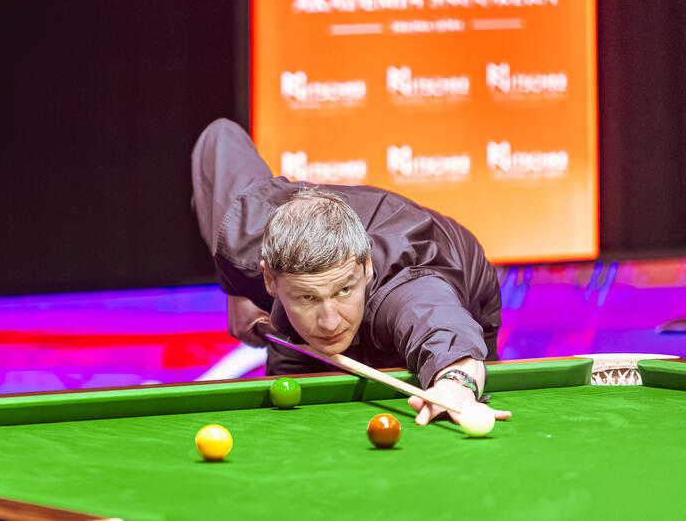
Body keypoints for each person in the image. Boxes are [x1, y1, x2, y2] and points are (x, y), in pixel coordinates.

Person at [191, 118, 510, 426]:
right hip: (304, 300)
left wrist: (456, 383)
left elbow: (442, 329)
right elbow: (220, 137)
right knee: (288, 410)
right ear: (269, 279)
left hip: (457, 271)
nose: (329, 322)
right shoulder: (242, 240)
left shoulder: (405, 291)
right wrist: (236, 289)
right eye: (307, 297)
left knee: (433, 404)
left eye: (343, 290)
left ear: (366, 266)